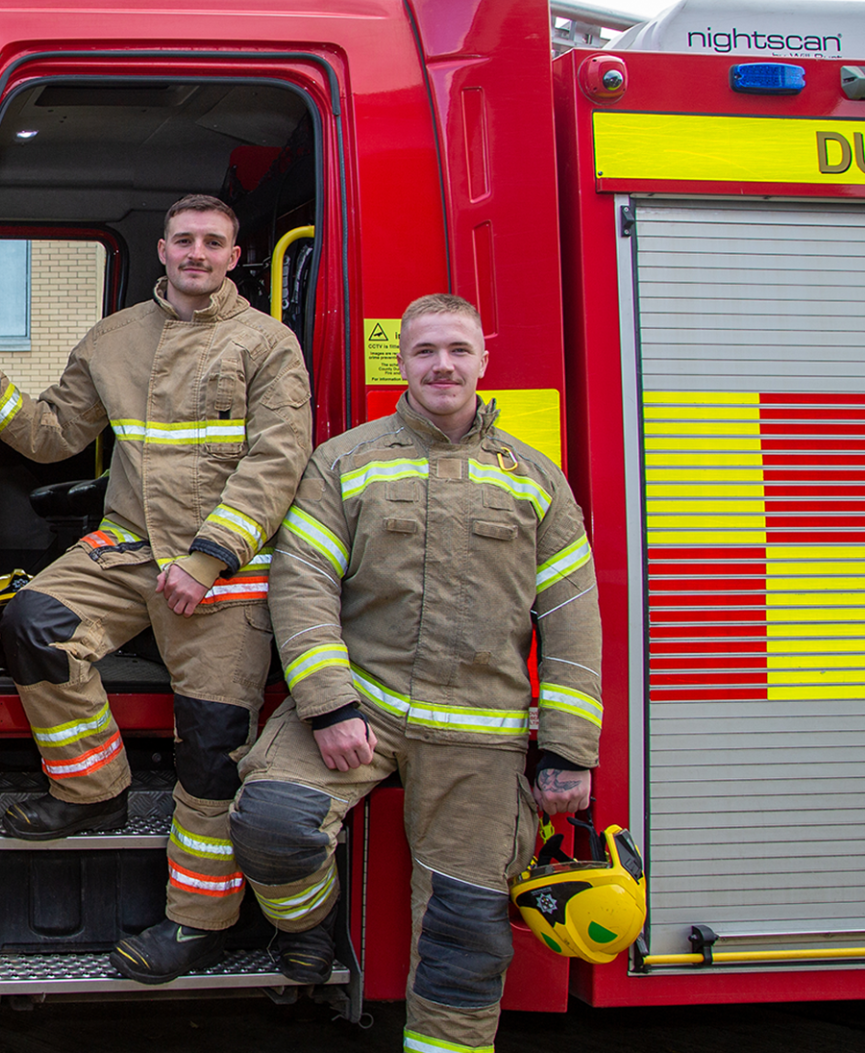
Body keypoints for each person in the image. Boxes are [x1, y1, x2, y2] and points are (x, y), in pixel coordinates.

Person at [228, 293, 603, 1052]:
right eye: (426, 351)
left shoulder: (535, 477)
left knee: (466, 933)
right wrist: (331, 708)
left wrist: (568, 750)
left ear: (482, 362)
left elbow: (571, 617)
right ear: (401, 362)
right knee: (270, 827)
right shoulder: (344, 461)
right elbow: (301, 586)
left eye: (458, 350)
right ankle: (309, 928)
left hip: (480, 734)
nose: (443, 365)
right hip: (359, 706)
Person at [0, 194, 311, 984]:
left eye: (214, 242)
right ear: (163, 250)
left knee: (209, 749)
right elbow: (54, 432)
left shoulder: (267, 344)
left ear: (235, 257)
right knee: (34, 621)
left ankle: (198, 923)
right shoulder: (114, 337)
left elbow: (277, 462)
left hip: (223, 568)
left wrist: (208, 558)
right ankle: (92, 790)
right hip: (131, 550)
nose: (197, 253)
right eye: (184, 241)